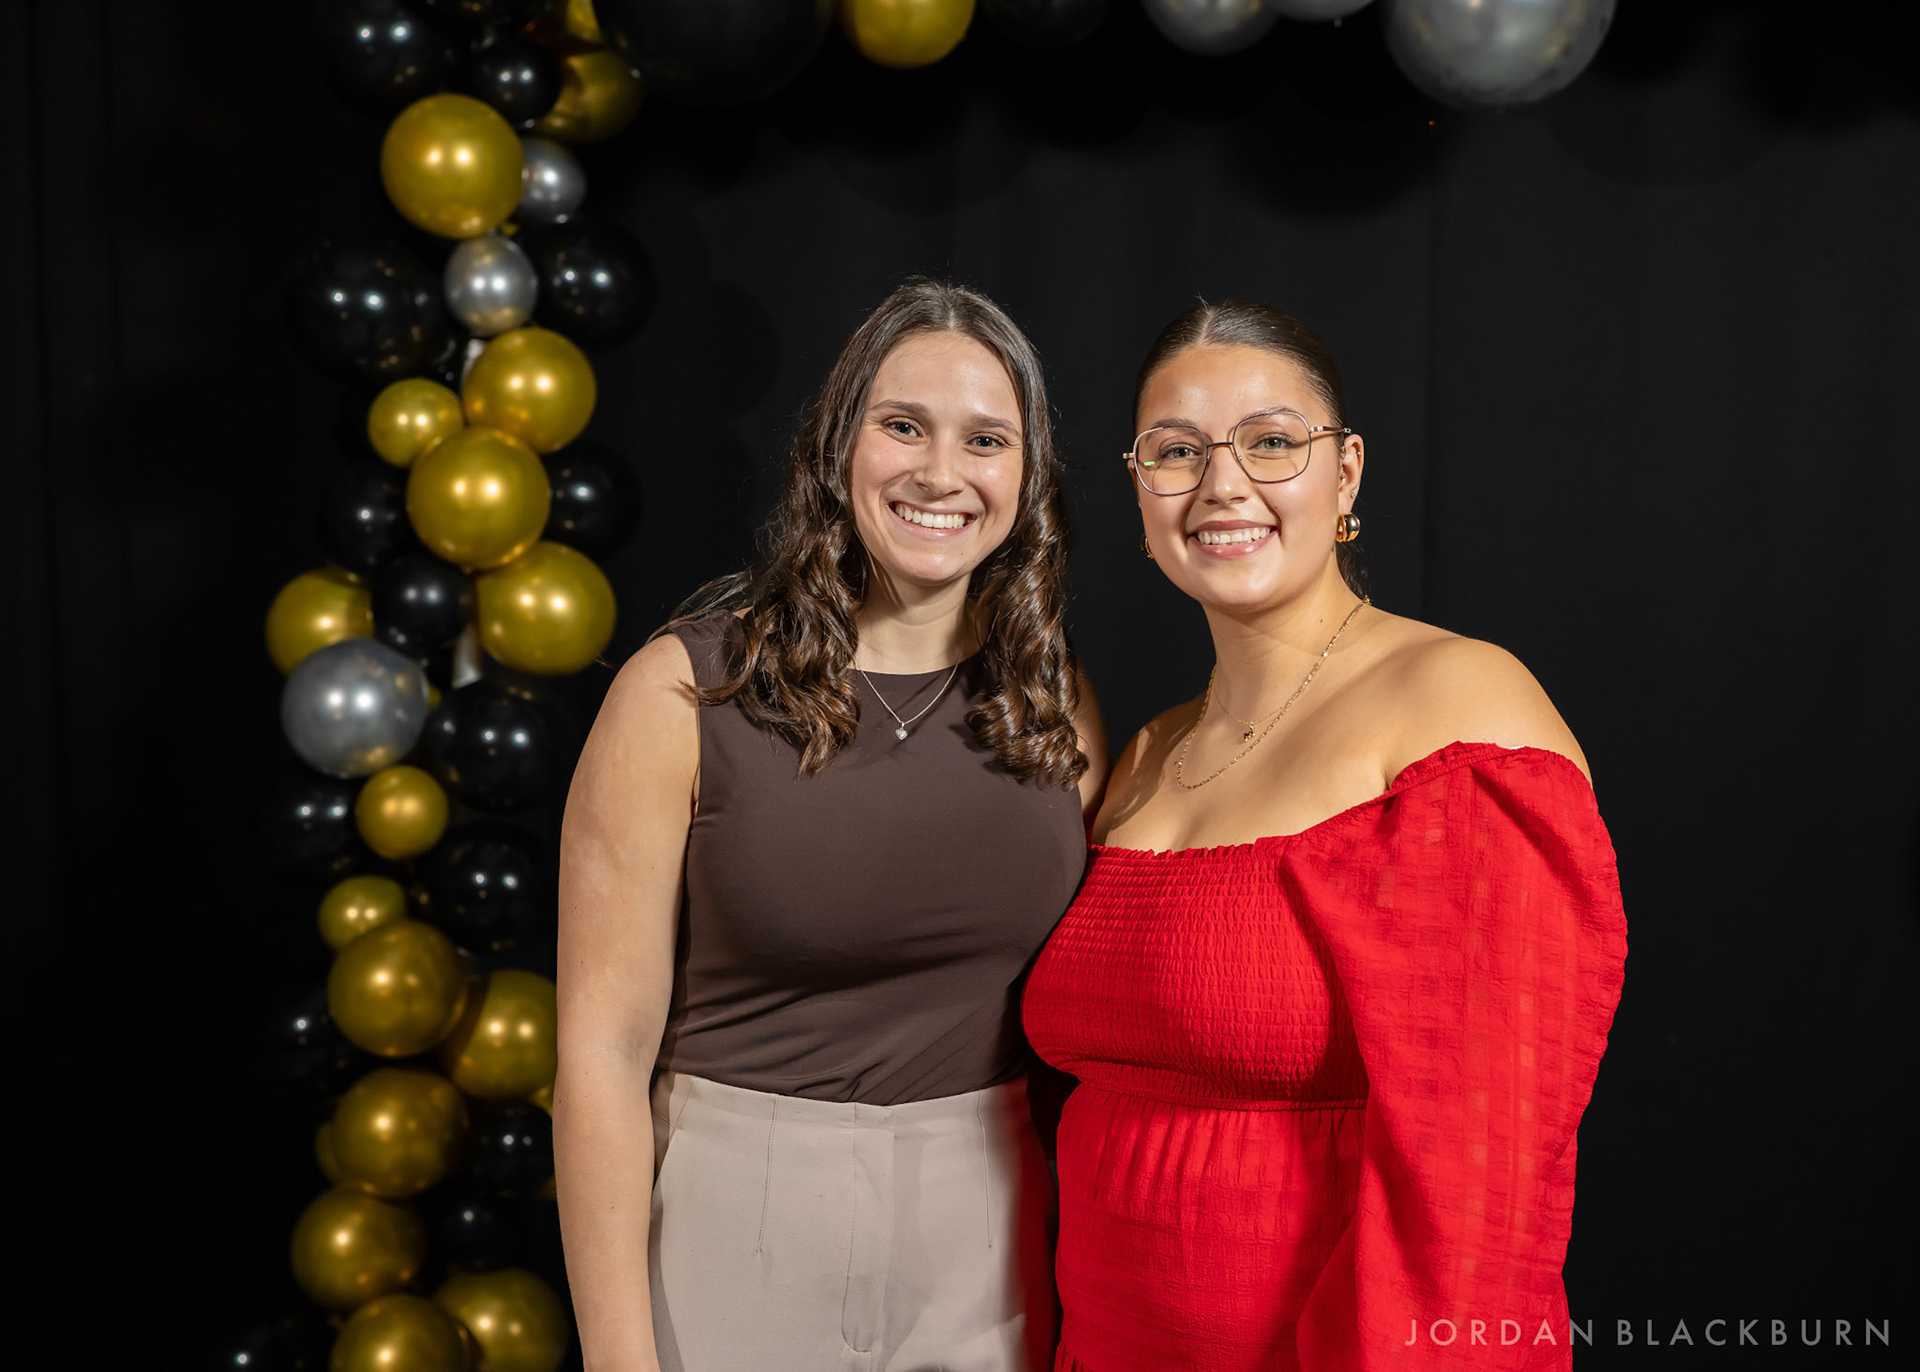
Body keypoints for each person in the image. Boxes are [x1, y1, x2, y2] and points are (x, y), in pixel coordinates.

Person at [1022, 301, 1627, 1371]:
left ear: (1345, 473)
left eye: (1270, 441)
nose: (1222, 484)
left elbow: (1480, 1194)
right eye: (1176, 451)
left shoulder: (1458, 708)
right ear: (1139, 487)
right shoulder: (1148, 750)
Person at [554, 279, 1108, 1372]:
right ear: (836, 447)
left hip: (989, 1234)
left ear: (1027, 476)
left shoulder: (1054, 704)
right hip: (734, 1220)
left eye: (985, 439)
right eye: (902, 425)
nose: (940, 472)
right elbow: (601, 1058)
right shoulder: (684, 693)